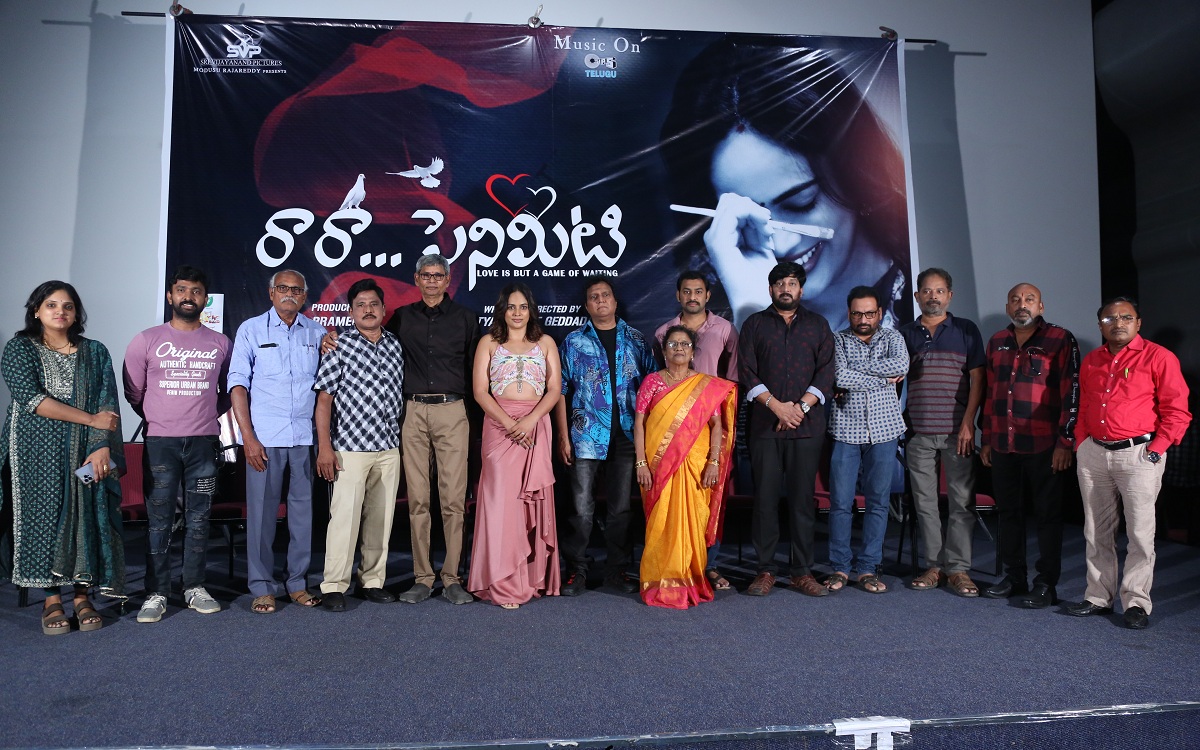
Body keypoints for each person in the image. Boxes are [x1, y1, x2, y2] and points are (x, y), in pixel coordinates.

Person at [659, 38, 910, 330]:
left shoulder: (920, 289)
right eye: (747, 221)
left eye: (801, 202)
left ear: (852, 168)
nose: (781, 243)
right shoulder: (705, 317)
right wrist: (751, 312)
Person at [1, 281, 124, 634]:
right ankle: (51, 598)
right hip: (33, 453)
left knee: (89, 510)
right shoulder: (19, 349)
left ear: (76, 313)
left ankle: (82, 596)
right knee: (42, 517)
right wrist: (91, 420)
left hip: (88, 450)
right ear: (36, 311)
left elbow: (107, 401)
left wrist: (101, 445)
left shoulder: (95, 351)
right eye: (51, 305)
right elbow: (32, 400)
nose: (60, 311)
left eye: (68, 306)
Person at [1067, 297, 1191, 629]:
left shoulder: (1159, 357)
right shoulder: (1092, 360)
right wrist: (1081, 443)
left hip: (1139, 454)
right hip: (1094, 453)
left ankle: (1136, 602)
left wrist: (1156, 450)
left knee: (1139, 533)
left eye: (1126, 317)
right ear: (1100, 325)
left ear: (1138, 323)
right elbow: (1085, 405)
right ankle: (1098, 596)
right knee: (1096, 530)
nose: (1118, 323)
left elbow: (1178, 411)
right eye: (1110, 319)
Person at [123, 266, 232, 622]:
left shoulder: (221, 343)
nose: (189, 296)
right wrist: (160, 415)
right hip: (160, 443)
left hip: (204, 443)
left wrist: (204, 415)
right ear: (170, 296)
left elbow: (228, 392)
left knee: (199, 518)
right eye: (182, 290)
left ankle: (194, 586)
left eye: (196, 291)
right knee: (159, 520)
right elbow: (134, 392)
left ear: (205, 299)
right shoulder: (146, 340)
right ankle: (156, 592)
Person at [227, 270, 325, 613]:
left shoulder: (317, 333)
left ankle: (297, 583)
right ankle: (262, 586)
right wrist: (248, 438)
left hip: (304, 439)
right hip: (264, 440)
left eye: (296, 290)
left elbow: (325, 389)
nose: (289, 294)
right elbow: (237, 385)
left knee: (302, 516)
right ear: (271, 293)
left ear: (304, 296)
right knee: (261, 517)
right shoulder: (251, 329)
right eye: (282, 288)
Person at [554, 274, 657, 596]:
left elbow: (652, 389)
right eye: (594, 297)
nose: (600, 300)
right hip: (585, 437)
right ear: (587, 306)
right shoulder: (574, 342)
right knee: (581, 510)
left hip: (626, 437)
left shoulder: (636, 340)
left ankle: (617, 571)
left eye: (605, 295)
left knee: (620, 510)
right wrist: (563, 436)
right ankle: (578, 571)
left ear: (615, 301)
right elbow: (559, 391)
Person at [979, 284, 1080, 609]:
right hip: (1003, 444)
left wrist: (1065, 441)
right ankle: (1015, 577)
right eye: (1015, 300)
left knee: (1048, 516)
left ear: (1041, 306)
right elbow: (990, 394)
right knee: (1009, 513)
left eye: (1029, 299)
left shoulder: (1060, 339)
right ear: (1008, 307)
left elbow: (1071, 391)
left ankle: (1046, 584)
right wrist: (987, 439)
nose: (1022, 304)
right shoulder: (997, 341)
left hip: (1045, 445)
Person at [738, 260, 834, 597]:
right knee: (764, 501)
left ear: (801, 289)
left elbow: (826, 371)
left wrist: (800, 408)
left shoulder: (818, 325)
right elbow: (746, 370)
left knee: (802, 502)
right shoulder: (754, 324)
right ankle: (765, 570)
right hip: (765, 426)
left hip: (807, 428)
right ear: (770, 289)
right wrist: (777, 406)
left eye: (791, 283)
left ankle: (801, 572)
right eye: (779, 283)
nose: (785, 289)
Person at [313, 278, 406, 612]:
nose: (368, 310)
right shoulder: (338, 345)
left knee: (381, 520)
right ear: (351, 312)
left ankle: (372, 581)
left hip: (388, 446)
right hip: (349, 449)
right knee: (344, 520)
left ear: (383, 309)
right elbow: (324, 400)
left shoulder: (395, 345)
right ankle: (334, 585)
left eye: (373, 304)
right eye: (361, 305)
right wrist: (325, 447)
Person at [467, 284, 562, 609]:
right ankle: (504, 583)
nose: (518, 313)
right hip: (499, 428)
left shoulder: (545, 343)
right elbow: (480, 392)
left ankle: (530, 578)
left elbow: (554, 389)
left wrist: (531, 420)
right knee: (501, 506)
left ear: (530, 310)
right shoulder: (488, 343)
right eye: (511, 307)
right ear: (502, 311)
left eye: (523, 306)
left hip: (535, 427)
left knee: (529, 503)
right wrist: (510, 424)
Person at [634, 325, 737, 609]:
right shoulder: (652, 382)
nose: (679, 348)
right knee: (662, 520)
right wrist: (641, 462)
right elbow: (640, 423)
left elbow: (717, 425)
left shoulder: (704, 385)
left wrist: (714, 461)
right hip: (659, 465)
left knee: (692, 520)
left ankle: (690, 578)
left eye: (684, 344)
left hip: (695, 465)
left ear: (692, 352)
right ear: (664, 350)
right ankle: (660, 579)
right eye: (673, 344)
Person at [898, 268, 985, 597]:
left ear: (949, 295)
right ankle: (934, 567)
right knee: (925, 504)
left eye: (939, 291)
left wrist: (968, 423)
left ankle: (958, 569)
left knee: (962, 503)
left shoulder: (966, 330)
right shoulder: (905, 334)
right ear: (917, 296)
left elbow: (978, 379)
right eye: (926, 291)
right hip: (918, 431)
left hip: (956, 432)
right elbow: (895, 381)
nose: (932, 296)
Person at [653, 270, 739, 591]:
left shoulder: (725, 330)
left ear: (707, 296)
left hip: (713, 427)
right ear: (678, 295)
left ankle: (708, 565)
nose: (692, 297)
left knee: (711, 495)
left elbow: (732, 380)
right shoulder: (663, 333)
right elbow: (660, 381)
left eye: (698, 291)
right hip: (673, 431)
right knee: (673, 498)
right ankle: (676, 563)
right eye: (686, 291)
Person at [826, 286, 909, 594]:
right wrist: (881, 380)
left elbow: (901, 366)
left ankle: (868, 568)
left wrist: (855, 373)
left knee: (878, 502)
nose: (863, 319)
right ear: (849, 313)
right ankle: (839, 567)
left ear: (880, 313)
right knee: (840, 503)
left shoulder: (893, 338)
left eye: (870, 313)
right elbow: (838, 376)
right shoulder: (837, 340)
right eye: (857, 313)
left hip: (885, 431)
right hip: (845, 430)